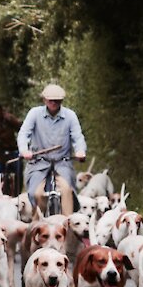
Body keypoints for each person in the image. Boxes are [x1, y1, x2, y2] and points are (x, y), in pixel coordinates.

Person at [18, 84, 87, 216]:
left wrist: (80, 151)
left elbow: (78, 137)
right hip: (39, 163)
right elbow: (23, 134)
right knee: (36, 193)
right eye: (51, 100)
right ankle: (39, 225)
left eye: (57, 100)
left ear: (62, 101)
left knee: (67, 190)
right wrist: (24, 150)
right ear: (44, 100)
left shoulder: (70, 116)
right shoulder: (34, 113)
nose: (54, 103)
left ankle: (68, 225)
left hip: (62, 163)